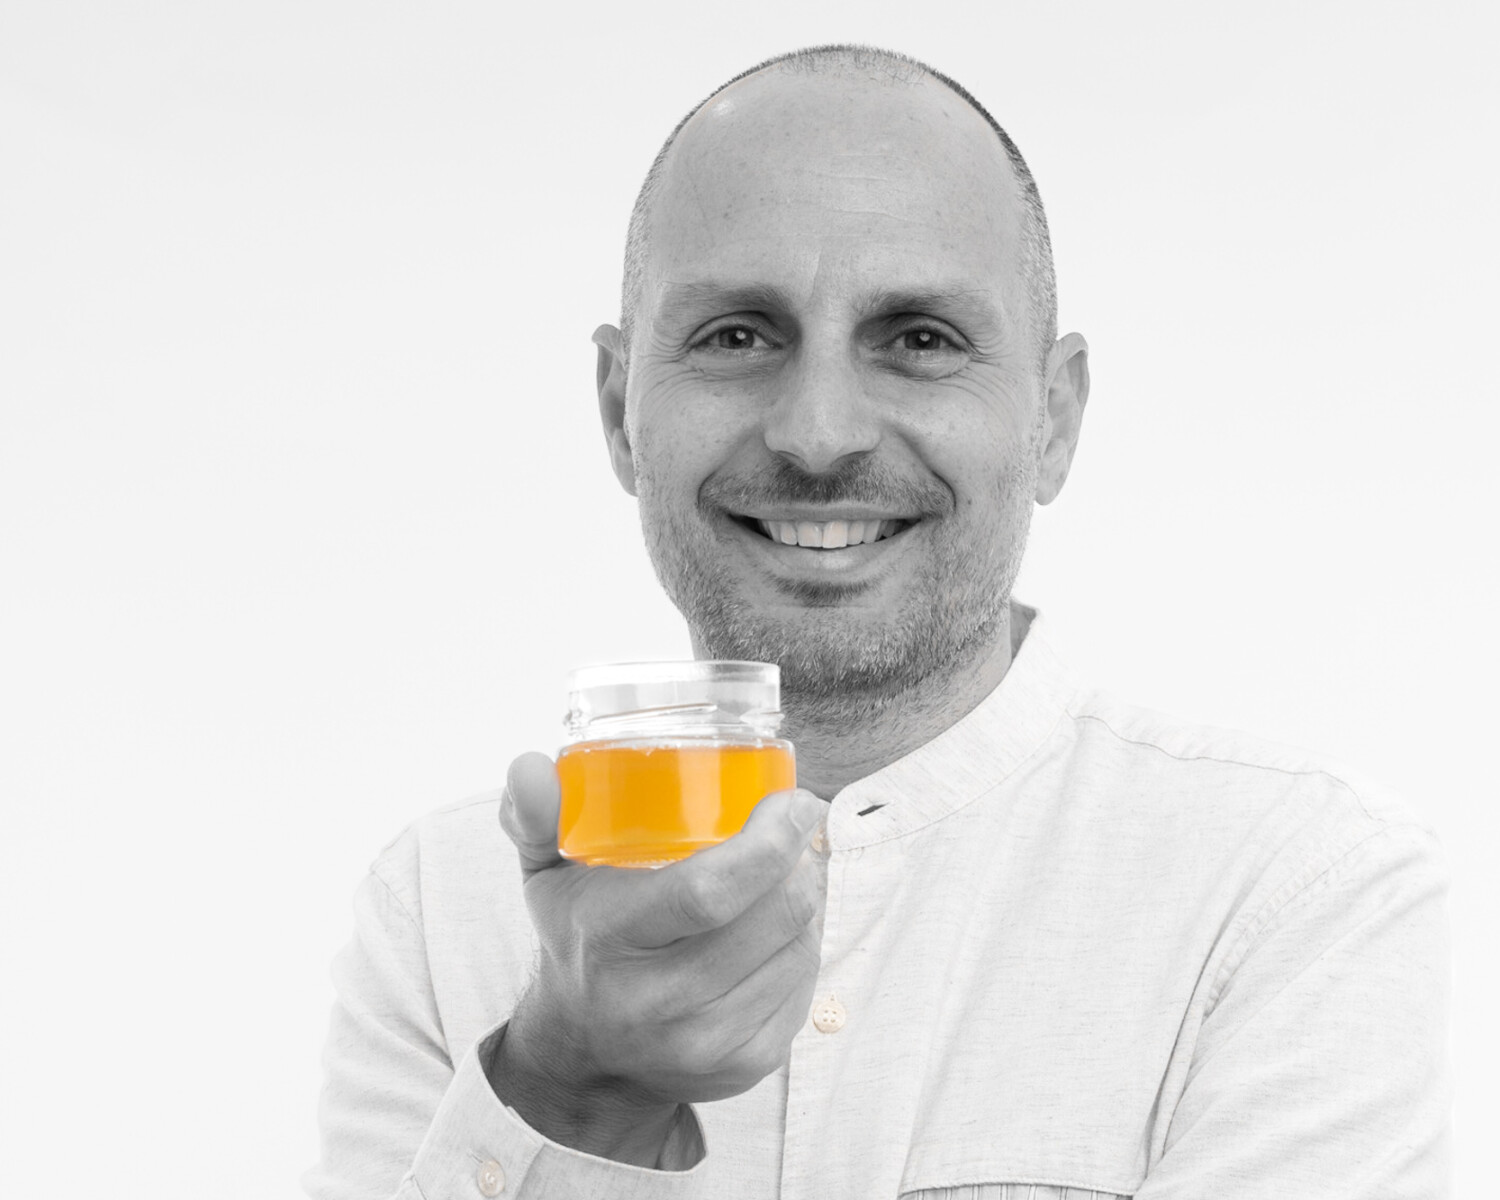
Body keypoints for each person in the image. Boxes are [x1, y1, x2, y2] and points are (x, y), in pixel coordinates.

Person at [305, 45, 1450, 1200]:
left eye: (920, 339)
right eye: (738, 335)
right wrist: (566, 1084)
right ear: (618, 411)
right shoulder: (441, 918)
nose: (818, 435)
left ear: (1053, 420)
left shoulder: (1293, 893)